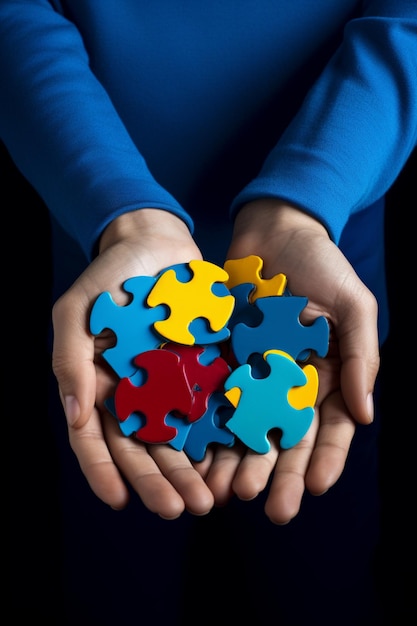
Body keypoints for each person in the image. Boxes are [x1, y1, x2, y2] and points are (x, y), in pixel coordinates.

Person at [2, 1, 416, 624]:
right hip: (110, 288)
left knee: (323, 583)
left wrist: (307, 202)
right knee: (114, 586)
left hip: (317, 293)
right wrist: (121, 214)